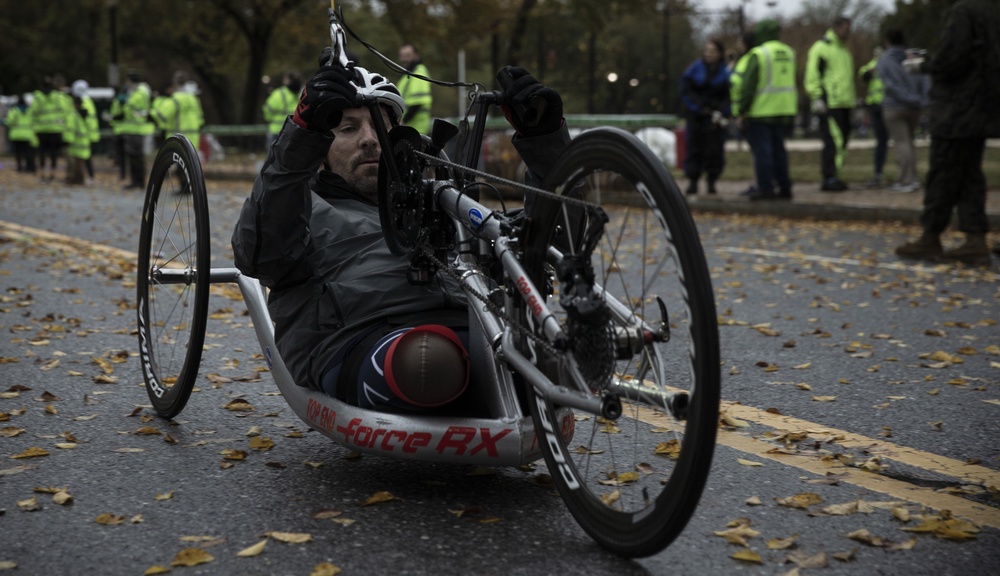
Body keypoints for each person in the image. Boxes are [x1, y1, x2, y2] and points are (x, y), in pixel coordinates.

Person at [231, 55, 567, 411]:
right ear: (321, 148)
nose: (369, 140)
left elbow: (552, 243)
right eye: (348, 129)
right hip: (366, 337)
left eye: (381, 127)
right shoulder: (302, 206)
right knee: (430, 361)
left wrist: (544, 142)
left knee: (561, 357)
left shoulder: (440, 200)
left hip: (480, 333)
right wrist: (300, 136)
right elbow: (260, 256)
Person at [895, 0, 1000, 265]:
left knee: (943, 171)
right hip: (982, 106)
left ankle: (930, 236)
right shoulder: (991, 11)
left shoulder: (963, 12)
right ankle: (975, 238)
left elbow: (952, 58)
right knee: (969, 173)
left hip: (956, 107)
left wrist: (923, 65)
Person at [731, 19, 797, 202]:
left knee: (763, 152)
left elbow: (749, 86)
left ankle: (766, 187)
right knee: (779, 151)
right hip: (784, 108)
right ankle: (785, 187)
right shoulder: (788, 51)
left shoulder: (759, 54)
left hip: (761, 110)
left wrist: (741, 111)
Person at [877, 28, 930, 195]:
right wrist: (921, 100)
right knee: (909, 142)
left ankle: (906, 180)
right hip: (915, 107)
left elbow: (890, 86)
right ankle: (911, 177)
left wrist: (906, 98)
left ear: (887, 41)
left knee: (901, 143)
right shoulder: (915, 59)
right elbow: (926, 80)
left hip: (894, 106)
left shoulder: (884, 61)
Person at [805, 16, 855, 192]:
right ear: (837, 27)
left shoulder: (844, 51)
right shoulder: (821, 48)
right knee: (834, 141)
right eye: (847, 29)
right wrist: (817, 97)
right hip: (829, 104)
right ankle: (829, 176)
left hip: (844, 103)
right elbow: (812, 75)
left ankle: (834, 175)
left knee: (841, 142)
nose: (849, 33)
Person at [679, 39, 731, 196]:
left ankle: (711, 181)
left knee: (714, 149)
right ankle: (693, 180)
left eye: (713, 51)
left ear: (719, 53)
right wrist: (698, 107)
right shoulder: (695, 69)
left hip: (715, 118)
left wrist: (721, 111)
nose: (709, 53)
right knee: (694, 147)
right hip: (697, 116)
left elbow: (729, 96)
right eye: (707, 50)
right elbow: (685, 90)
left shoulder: (725, 72)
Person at [31, 74, 73, 183]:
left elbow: (33, 112)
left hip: (41, 130)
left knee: (42, 153)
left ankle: (43, 173)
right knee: (53, 153)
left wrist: (34, 127)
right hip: (56, 129)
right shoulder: (58, 97)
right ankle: (52, 173)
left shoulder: (38, 97)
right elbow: (65, 112)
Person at [118, 70, 155, 190]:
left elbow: (131, 107)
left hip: (137, 129)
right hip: (133, 128)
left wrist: (125, 100)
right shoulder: (137, 92)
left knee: (136, 157)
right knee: (134, 157)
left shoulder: (139, 93)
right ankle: (136, 181)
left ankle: (139, 182)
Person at [857, 47, 887, 189]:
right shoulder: (869, 66)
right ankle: (878, 174)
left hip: (888, 105)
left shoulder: (890, 65)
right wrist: (871, 71)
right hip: (875, 105)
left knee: (893, 141)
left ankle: (903, 174)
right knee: (881, 140)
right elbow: (863, 77)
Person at [152, 71, 205, 150]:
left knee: (176, 161)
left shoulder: (175, 99)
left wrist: (153, 107)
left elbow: (161, 115)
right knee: (192, 160)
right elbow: (200, 119)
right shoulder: (194, 99)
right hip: (193, 136)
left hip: (177, 137)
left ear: (175, 83)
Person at [397, 44, 433, 135]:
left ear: (416, 55)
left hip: (415, 128)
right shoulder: (407, 75)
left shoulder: (418, 72)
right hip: (410, 127)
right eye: (402, 56)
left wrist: (403, 121)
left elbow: (418, 102)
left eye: (407, 56)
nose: (403, 59)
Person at [71, 80, 100, 186]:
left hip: (83, 135)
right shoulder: (89, 101)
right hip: (89, 134)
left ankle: (85, 177)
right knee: (86, 157)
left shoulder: (82, 102)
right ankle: (88, 177)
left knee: (84, 157)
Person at [262, 72, 301, 149]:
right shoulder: (302, 94)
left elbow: (267, 110)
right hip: (295, 131)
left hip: (276, 130)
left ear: (287, 81)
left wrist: (272, 119)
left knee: (273, 157)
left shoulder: (278, 94)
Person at [3, 94, 37, 173]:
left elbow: (10, 121)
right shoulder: (30, 110)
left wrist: (4, 122)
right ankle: (29, 167)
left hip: (16, 134)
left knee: (18, 153)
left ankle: (20, 167)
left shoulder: (14, 110)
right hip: (28, 134)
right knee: (28, 152)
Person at [64, 94, 92, 186]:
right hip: (84, 142)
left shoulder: (73, 115)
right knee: (80, 163)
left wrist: (67, 140)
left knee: (74, 163)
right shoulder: (86, 113)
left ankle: (75, 179)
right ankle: (80, 179)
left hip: (75, 143)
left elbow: (70, 129)